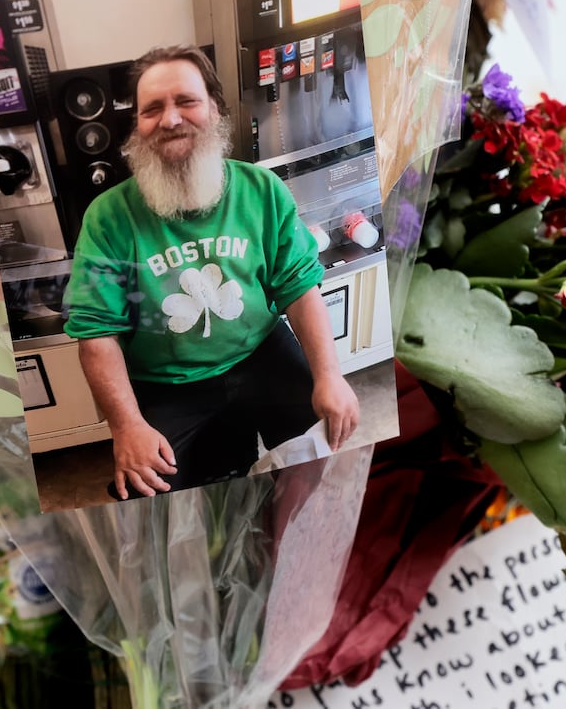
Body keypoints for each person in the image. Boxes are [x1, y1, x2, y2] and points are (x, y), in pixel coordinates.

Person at [64, 45, 360, 500]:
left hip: (261, 350)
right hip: (165, 379)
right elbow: (96, 334)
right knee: (147, 493)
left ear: (215, 109)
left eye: (186, 101)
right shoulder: (107, 217)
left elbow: (299, 289)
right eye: (152, 109)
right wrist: (126, 427)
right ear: (137, 126)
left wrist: (330, 376)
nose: (169, 119)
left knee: (326, 456)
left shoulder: (261, 190)